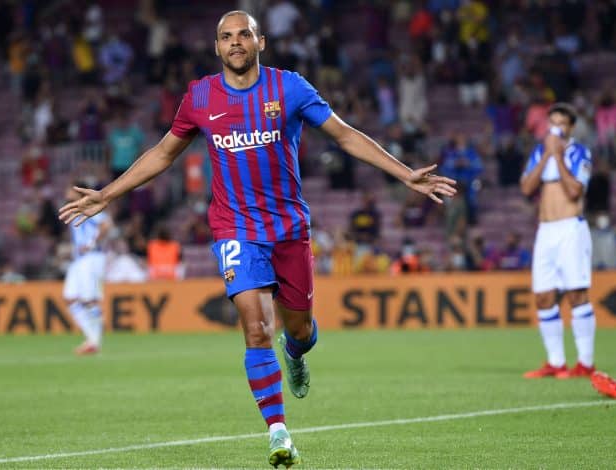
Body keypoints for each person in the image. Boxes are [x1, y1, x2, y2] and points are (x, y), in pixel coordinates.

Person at [59, 10, 456, 467]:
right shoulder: (200, 96)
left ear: (260, 42)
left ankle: (296, 352)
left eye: (243, 34)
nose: (235, 42)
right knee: (255, 327)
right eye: (226, 36)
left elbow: (344, 136)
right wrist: (107, 194)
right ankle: (278, 432)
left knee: (300, 329)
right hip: (236, 228)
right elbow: (164, 153)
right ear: (217, 47)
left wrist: (404, 174)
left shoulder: (289, 88)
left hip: (289, 228)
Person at [520, 103, 595, 380]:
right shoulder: (539, 152)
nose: (555, 128)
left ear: (571, 127)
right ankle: (556, 362)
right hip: (546, 230)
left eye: (561, 123)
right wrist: (547, 156)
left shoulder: (579, 153)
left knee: (576, 294)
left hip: (570, 229)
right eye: (552, 123)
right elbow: (527, 188)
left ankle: (585, 363)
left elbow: (575, 191)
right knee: (543, 296)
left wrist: (559, 157)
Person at [63, 183, 112, 355]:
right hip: (79, 259)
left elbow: (105, 225)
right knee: (70, 298)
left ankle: (95, 340)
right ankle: (91, 338)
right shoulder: (73, 210)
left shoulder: (89, 207)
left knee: (89, 299)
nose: (66, 193)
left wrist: (90, 244)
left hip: (92, 258)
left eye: (69, 190)